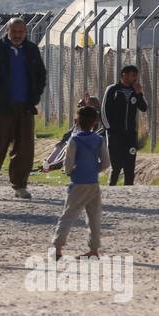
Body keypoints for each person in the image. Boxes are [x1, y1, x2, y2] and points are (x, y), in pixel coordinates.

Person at [0, 17, 47, 200]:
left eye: (21, 32)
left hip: (26, 106)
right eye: (14, 32)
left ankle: (20, 185)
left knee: (25, 147)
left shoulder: (31, 50)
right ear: (7, 30)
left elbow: (40, 74)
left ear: (25, 32)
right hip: (3, 106)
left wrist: (36, 94)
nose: (17, 35)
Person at [50, 105, 110, 260]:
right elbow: (105, 163)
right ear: (95, 122)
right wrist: (93, 170)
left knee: (68, 215)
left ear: (76, 121)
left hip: (78, 184)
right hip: (93, 184)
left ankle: (57, 247)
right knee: (94, 217)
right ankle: (94, 250)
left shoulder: (74, 140)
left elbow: (68, 163)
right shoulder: (99, 139)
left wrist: (71, 172)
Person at [101, 64, 148, 186]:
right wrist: (110, 130)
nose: (135, 79)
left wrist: (139, 94)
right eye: (133, 76)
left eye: (136, 76)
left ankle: (128, 191)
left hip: (130, 136)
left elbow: (143, 108)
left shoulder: (134, 92)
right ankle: (111, 188)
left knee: (130, 167)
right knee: (116, 166)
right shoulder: (113, 90)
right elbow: (104, 111)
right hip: (115, 135)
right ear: (124, 75)